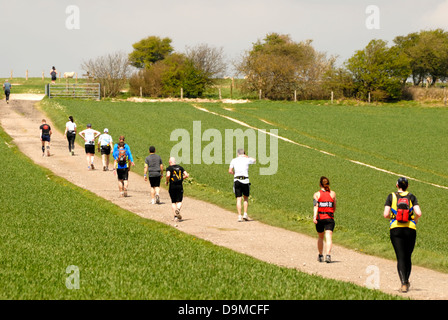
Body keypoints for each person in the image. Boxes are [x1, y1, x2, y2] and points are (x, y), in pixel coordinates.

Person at [383, 177, 422, 293]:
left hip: (396, 229)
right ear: (407, 186)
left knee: (400, 257)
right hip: (410, 228)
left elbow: (385, 214)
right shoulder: (412, 196)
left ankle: (403, 283)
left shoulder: (391, 196)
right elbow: (418, 213)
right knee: (407, 256)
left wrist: (393, 217)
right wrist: (414, 219)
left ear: (397, 185)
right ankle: (407, 280)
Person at [313, 176, 336, 263]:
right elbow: (334, 208)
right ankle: (328, 255)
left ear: (320, 184)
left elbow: (316, 206)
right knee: (328, 236)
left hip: (320, 218)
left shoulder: (316, 194)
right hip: (329, 218)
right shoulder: (333, 194)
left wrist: (314, 217)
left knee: (320, 237)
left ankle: (320, 255)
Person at [228, 148, 256, 222]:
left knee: (238, 198)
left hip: (237, 180)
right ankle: (245, 214)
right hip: (245, 180)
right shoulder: (247, 159)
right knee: (245, 198)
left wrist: (235, 174)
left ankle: (239, 216)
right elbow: (254, 160)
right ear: (244, 153)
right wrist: (247, 156)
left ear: (238, 154)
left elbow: (230, 171)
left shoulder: (234, 160)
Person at [165, 157, 189, 222]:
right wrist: (181, 178)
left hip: (172, 186)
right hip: (179, 186)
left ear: (170, 162)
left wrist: (167, 181)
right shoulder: (180, 167)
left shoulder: (169, 168)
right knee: (179, 201)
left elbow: (168, 175)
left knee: (173, 202)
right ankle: (178, 209)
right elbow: (186, 175)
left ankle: (175, 217)